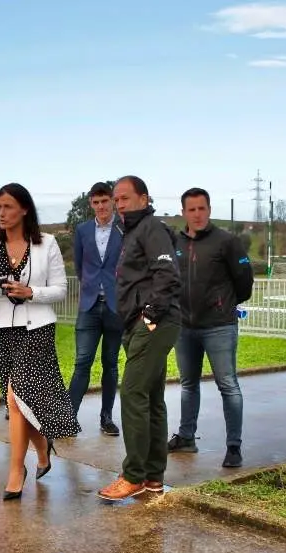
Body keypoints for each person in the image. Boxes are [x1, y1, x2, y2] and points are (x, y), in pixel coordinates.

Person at [0, 183, 79, 501]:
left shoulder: (46, 243)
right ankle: (42, 449)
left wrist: (31, 292)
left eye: (7, 207)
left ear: (24, 209)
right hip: (3, 330)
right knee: (21, 403)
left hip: (37, 330)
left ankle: (15, 471)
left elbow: (60, 288)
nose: (1, 213)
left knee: (14, 400)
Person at [97, 175, 181, 501]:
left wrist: (150, 316)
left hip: (154, 322)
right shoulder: (132, 232)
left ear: (144, 199)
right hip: (138, 323)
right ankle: (153, 477)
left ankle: (132, 475)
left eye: (125, 199)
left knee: (132, 391)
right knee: (152, 399)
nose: (119, 205)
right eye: (116, 200)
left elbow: (167, 273)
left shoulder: (151, 229)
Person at [168, 188, 254, 468]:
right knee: (188, 385)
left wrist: (223, 304)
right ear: (184, 213)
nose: (197, 214)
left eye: (201, 208)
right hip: (185, 326)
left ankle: (233, 446)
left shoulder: (226, 242)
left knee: (227, 385)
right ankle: (186, 437)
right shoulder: (176, 242)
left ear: (209, 209)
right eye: (191, 209)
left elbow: (244, 281)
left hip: (219, 326)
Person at [67, 182, 124, 436]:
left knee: (111, 365)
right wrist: (90, 286)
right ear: (91, 204)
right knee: (82, 363)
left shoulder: (124, 230)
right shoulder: (82, 230)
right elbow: (80, 266)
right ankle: (68, 418)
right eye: (96, 202)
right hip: (89, 306)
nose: (101, 206)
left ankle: (106, 418)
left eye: (105, 201)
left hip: (116, 306)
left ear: (112, 201)